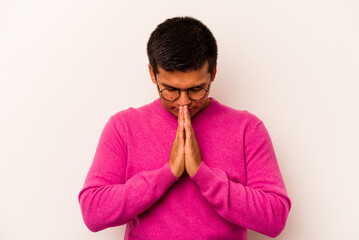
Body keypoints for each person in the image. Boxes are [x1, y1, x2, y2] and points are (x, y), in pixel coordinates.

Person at [78, 16, 291, 239]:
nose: (183, 102)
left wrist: (202, 174)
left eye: (197, 89)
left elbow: (275, 218)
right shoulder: (123, 126)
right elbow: (93, 212)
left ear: (213, 74)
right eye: (170, 90)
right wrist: (168, 173)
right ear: (152, 73)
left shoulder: (247, 129)